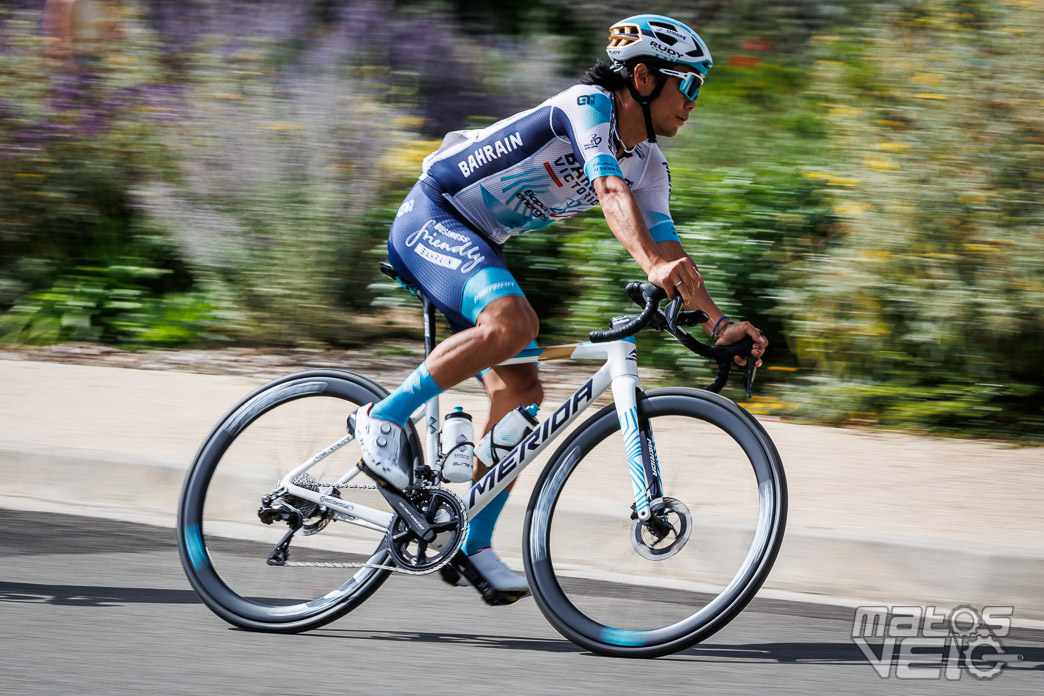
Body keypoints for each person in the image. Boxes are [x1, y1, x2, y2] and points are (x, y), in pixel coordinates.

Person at [350, 14, 768, 601]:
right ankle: (381, 421)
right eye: (689, 85)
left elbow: (671, 248)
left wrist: (719, 322)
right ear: (644, 77)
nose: (694, 103)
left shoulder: (648, 161)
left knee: (522, 399)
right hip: (433, 214)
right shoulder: (586, 106)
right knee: (515, 323)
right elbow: (607, 190)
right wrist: (650, 266)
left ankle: (470, 541)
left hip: (480, 243)